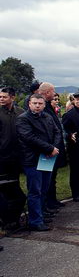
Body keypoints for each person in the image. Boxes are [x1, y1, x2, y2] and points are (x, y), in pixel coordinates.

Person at [16, 94, 61, 231]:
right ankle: (35, 220)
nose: (37, 106)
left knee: (44, 188)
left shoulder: (47, 117)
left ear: (44, 105)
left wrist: (54, 148)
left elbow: (57, 132)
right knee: (35, 190)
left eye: (40, 103)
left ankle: (41, 214)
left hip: (47, 157)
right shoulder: (23, 119)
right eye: (34, 103)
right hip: (33, 159)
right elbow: (29, 138)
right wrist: (50, 148)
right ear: (29, 104)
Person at [0, 87, 26, 230]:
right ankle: (6, 220)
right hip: (2, 158)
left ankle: (13, 219)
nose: (1, 99)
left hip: (17, 157)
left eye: (4, 97)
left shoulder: (20, 112)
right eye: (0, 97)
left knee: (15, 189)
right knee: (4, 191)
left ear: (13, 97)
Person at [38, 82, 66, 210]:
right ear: (47, 92)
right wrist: (51, 147)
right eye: (53, 91)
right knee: (45, 180)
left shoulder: (48, 105)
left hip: (54, 148)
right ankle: (46, 205)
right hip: (47, 150)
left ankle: (52, 201)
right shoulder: (42, 106)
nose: (54, 94)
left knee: (52, 176)